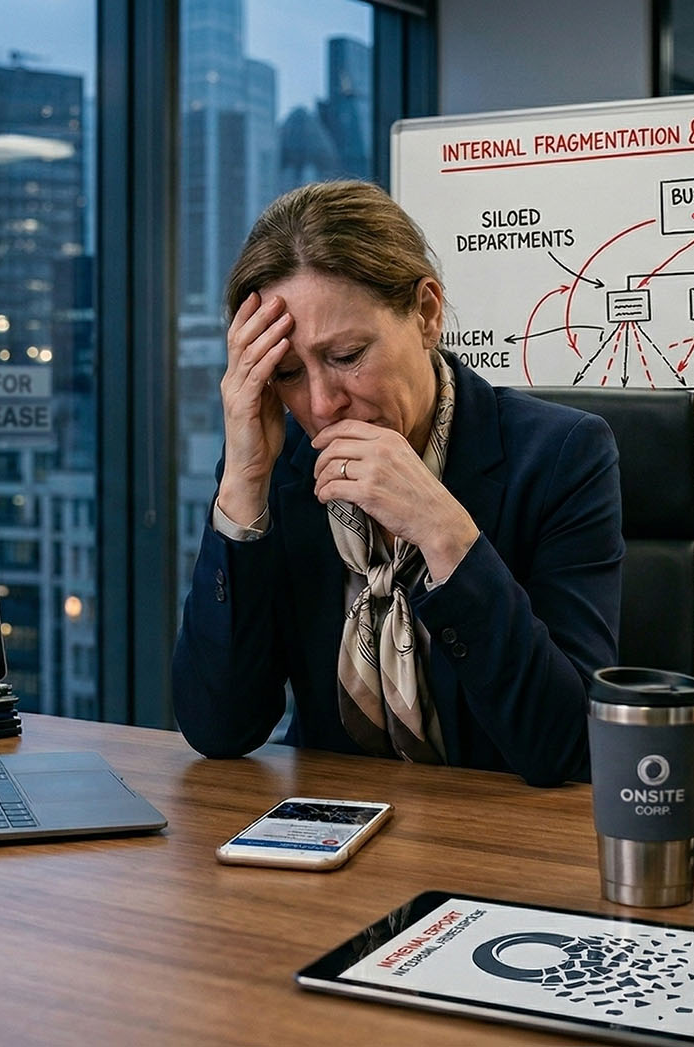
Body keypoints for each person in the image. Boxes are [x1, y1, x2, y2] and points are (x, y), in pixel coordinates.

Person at [171, 180, 624, 787]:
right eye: (287, 373)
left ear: (428, 313)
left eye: (348, 355)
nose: (324, 404)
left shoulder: (563, 456)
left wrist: (446, 535)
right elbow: (219, 728)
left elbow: (571, 749)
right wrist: (242, 486)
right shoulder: (276, 466)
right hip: (333, 834)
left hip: (502, 839)